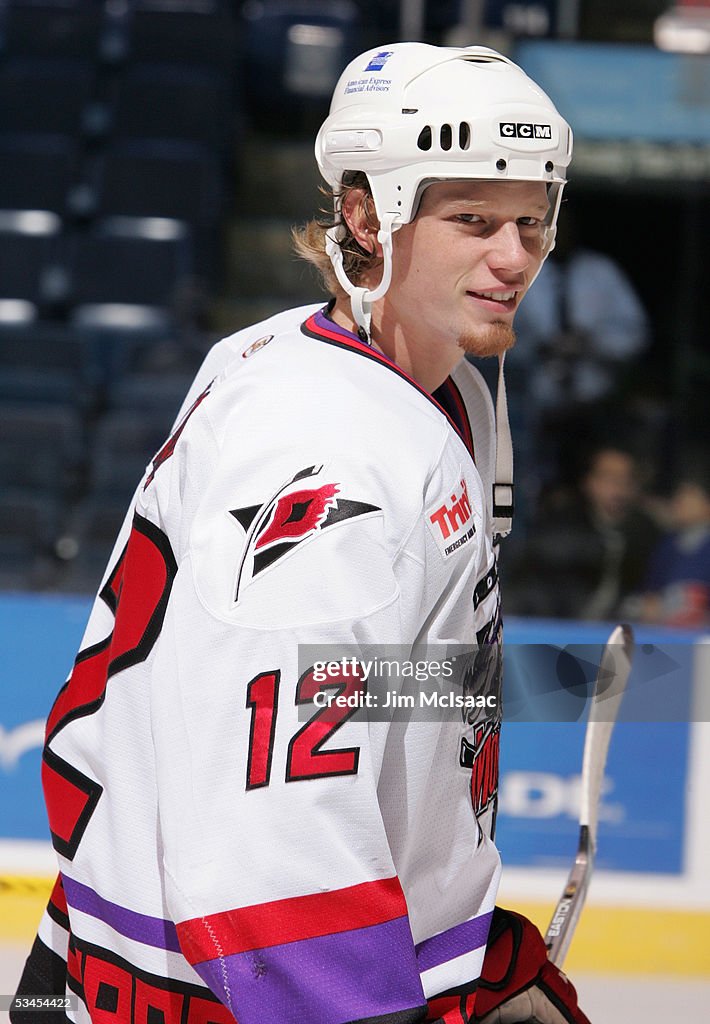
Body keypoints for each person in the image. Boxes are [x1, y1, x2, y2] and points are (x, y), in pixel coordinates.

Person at [14, 43, 588, 1024]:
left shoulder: (399, 376)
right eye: (471, 220)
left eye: (531, 221)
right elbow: (266, 831)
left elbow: (325, 682)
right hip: (228, 989)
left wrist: (471, 950)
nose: (513, 257)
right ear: (364, 213)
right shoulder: (329, 449)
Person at [506, 445, 661, 621]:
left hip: (617, 631)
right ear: (589, 482)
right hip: (555, 627)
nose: (619, 487)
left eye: (626, 479)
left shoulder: (645, 530)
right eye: (610, 478)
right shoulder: (562, 523)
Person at [638, 462, 710, 629]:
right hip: (666, 629)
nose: (679, 502)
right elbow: (650, 590)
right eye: (678, 497)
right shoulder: (667, 545)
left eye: (689, 496)